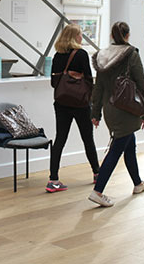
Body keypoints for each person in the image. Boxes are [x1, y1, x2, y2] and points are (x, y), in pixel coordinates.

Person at [88, 21, 144, 207]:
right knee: (116, 150)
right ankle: (97, 191)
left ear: (111, 36)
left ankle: (138, 183)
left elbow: (98, 88)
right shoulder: (131, 54)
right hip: (127, 108)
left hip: (110, 109)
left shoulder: (102, 56)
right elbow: (141, 84)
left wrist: (96, 113)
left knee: (129, 144)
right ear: (127, 35)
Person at [46, 24, 100, 193]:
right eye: (80, 35)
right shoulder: (82, 54)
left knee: (60, 139)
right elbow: (89, 80)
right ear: (74, 37)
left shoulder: (57, 56)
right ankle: (97, 174)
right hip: (81, 103)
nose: (81, 38)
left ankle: (53, 180)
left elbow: (54, 82)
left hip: (61, 102)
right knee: (87, 139)